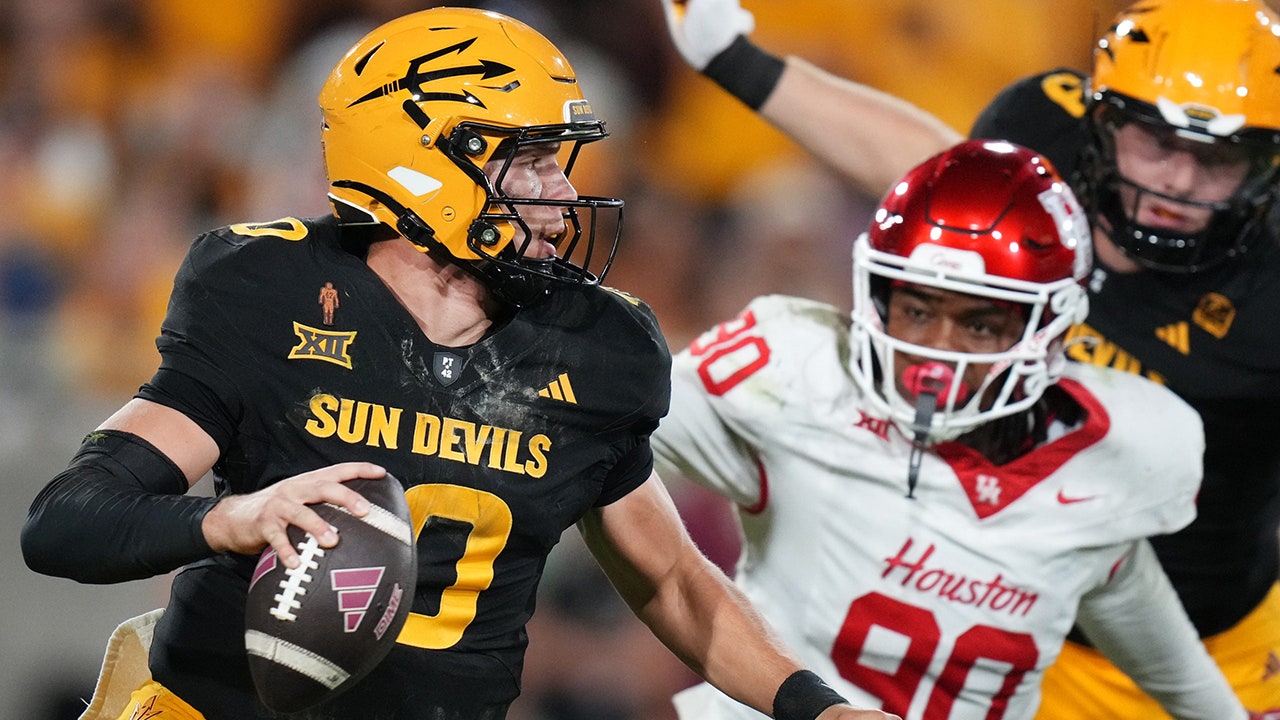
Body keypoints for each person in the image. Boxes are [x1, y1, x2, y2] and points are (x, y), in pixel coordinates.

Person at [20, 8, 898, 720]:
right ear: (419, 164)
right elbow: (67, 521)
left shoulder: (595, 345)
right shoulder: (271, 289)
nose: (561, 193)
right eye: (530, 162)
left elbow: (670, 579)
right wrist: (232, 518)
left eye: (560, 161)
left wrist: (817, 709)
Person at [660, 0, 1280, 716]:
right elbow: (926, 163)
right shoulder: (1044, 132)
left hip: (1211, 634)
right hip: (1004, 610)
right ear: (1103, 119)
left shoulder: (1265, 306)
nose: (1178, 181)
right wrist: (735, 61)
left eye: (1219, 158)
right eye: (1157, 142)